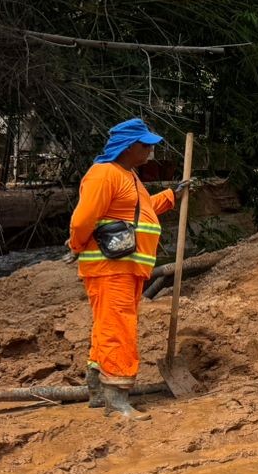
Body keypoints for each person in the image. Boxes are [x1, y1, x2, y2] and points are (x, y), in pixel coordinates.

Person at [68, 119, 187, 419]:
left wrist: (173, 195)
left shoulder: (127, 176)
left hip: (126, 267)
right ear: (128, 146)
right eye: (145, 144)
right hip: (111, 267)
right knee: (118, 329)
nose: (150, 150)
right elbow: (81, 221)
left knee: (108, 326)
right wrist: (76, 245)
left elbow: (141, 210)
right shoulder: (104, 174)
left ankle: (97, 389)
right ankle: (117, 398)